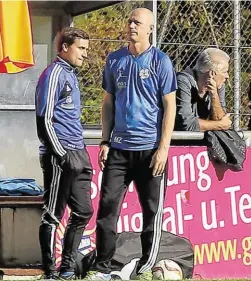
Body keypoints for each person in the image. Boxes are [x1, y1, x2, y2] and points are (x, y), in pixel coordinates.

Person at [85, 8, 177, 281]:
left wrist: (163, 148)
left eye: (137, 22)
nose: (131, 25)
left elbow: (169, 105)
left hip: (150, 150)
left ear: (150, 28)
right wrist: (105, 139)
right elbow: (108, 103)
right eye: (130, 21)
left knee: (151, 211)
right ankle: (102, 268)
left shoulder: (160, 61)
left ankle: (146, 268)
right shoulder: (115, 60)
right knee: (107, 207)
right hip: (119, 149)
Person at [35, 27, 93, 280]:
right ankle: (50, 272)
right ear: (65, 47)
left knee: (84, 211)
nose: (85, 55)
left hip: (78, 150)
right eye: (81, 49)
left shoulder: (71, 74)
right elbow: (44, 118)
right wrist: (60, 153)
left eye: (86, 50)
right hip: (61, 152)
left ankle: (67, 268)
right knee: (53, 214)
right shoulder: (54, 73)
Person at [175, 48, 232, 131]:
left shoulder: (219, 85)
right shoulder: (183, 82)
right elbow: (186, 124)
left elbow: (221, 119)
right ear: (212, 73)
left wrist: (214, 95)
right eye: (224, 72)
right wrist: (219, 125)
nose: (227, 76)